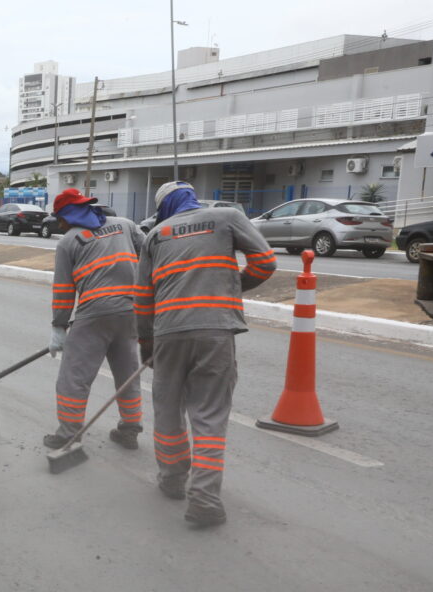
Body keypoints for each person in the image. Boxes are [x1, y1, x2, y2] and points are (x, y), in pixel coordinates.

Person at [134, 181, 276, 527]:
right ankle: (205, 500)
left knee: (167, 408)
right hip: (215, 330)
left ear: (164, 207)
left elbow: (142, 297)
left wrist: (147, 346)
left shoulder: (155, 235)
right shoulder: (227, 217)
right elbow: (265, 262)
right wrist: (230, 286)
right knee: (209, 417)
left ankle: (171, 479)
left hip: (168, 331)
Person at [44, 188, 146, 452]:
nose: (60, 223)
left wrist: (59, 327)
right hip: (130, 312)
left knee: (73, 377)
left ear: (67, 215)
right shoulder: (125, 226)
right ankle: (130, 429)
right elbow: (150, 256)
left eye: (60, 218)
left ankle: (68, 434)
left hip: (95, 315)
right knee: (127, 373)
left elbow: (64, 292)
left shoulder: (68, 242)